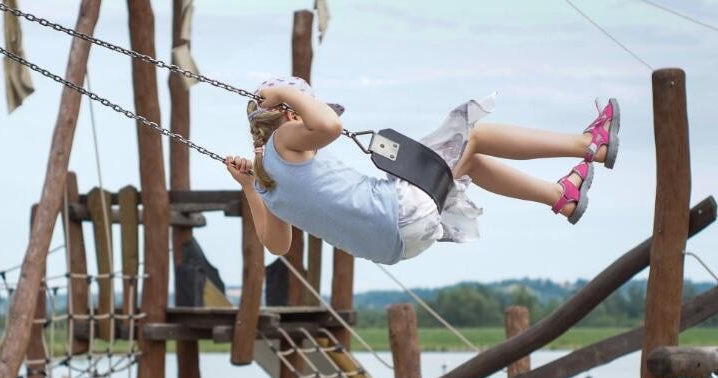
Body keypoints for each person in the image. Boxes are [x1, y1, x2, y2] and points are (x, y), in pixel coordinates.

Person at [224, 76, 620, 265]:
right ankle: (590, 145)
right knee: (472, 136)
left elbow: (277, 246)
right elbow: (330, 126)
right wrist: (282, 93)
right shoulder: (284, 140)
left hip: (397, 246)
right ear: (290, 114)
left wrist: (247, 187)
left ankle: (562, 197)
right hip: (398, 210)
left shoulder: (267, 185)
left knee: (467, 161)